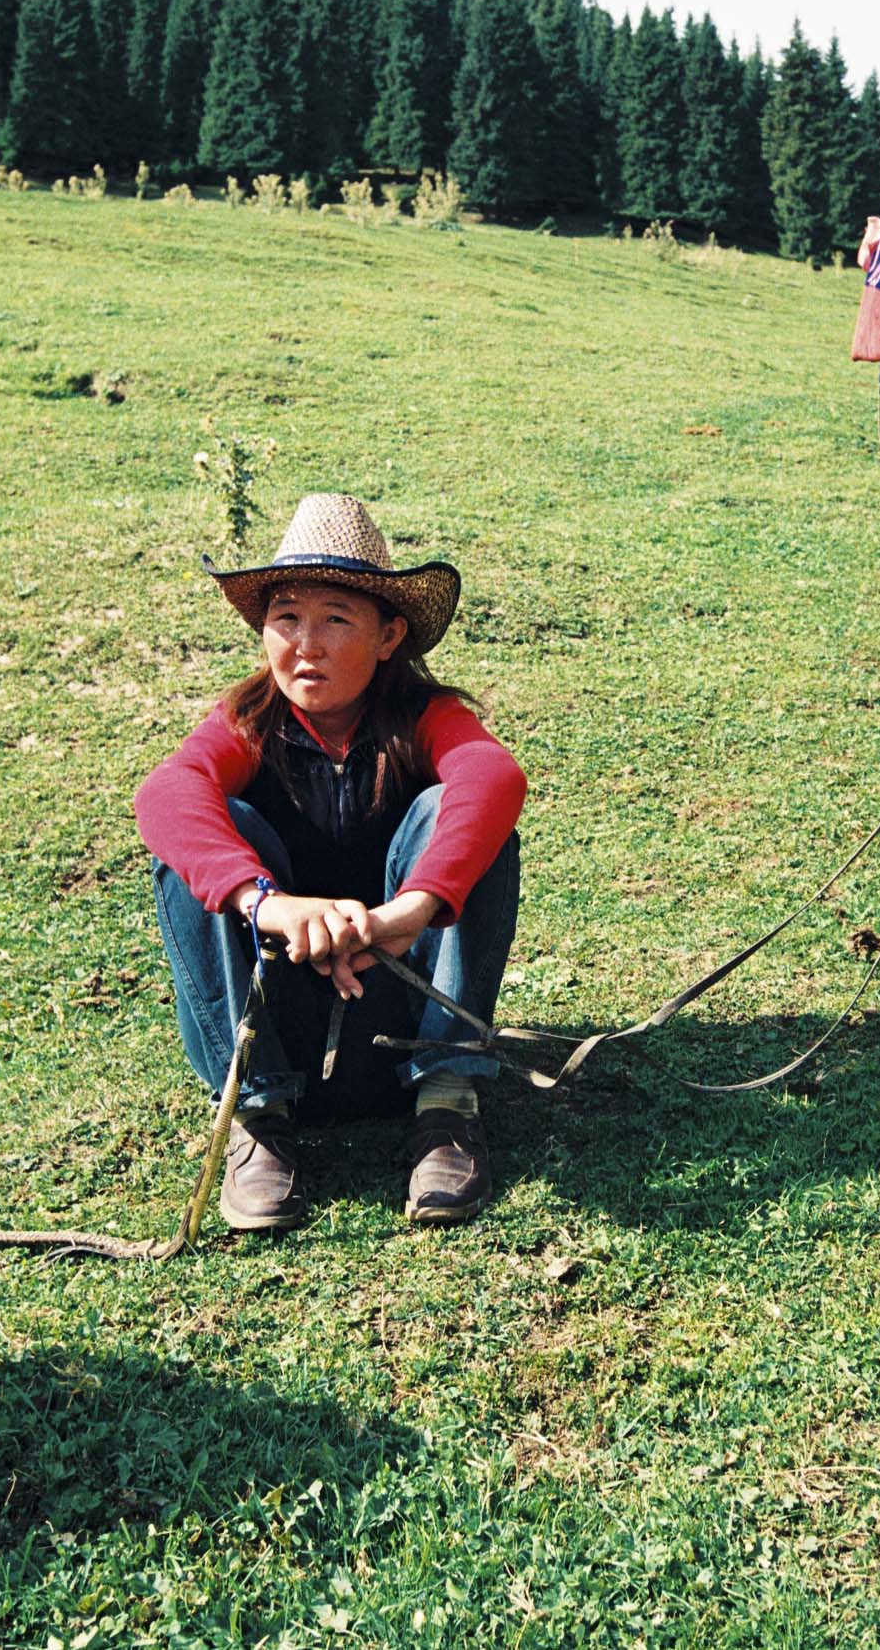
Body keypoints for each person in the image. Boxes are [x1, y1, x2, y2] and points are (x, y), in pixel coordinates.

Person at [135, 492, 526, 1231]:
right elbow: (165, 793)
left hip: (399, 1026)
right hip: (278, 1026)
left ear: (388, 636)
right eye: (285, 617)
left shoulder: (425, 716)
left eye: (335, 618)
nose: (303, 643)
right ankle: (258, 1117)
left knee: (464, 819)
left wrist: (408, 912)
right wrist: (268, 904)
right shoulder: (249, 722)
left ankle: (447, 1104)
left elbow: (493, 776)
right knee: (203, 846)